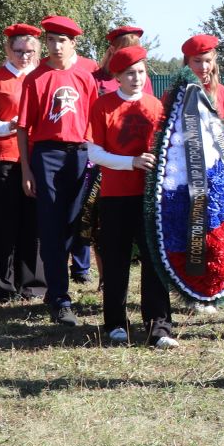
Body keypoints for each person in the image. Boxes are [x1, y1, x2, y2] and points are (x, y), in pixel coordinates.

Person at [18, 15, 101, 325]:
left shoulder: (85, 77)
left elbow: (95, 121)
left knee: (72, 225)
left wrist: (97, 157)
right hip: (47, 155)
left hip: (80, 154)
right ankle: (61, 299)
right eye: (50, 40)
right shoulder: (35, 78)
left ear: (73, 44)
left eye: (61, 41)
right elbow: (24, 128)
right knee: (51, 226)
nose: (55, 46)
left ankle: (56, 290)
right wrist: (27, 169)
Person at [87, 44, 171, 345]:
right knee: (116, 261)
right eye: (129, 73)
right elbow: (94, 152)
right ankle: (114, 323)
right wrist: (130, 162)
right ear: (118, 77)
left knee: (154, 261)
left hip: (149, 197)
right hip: (115, 196)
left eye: (140, 72)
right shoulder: (102, 106)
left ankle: (158, 326)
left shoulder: (156, 106)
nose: (136, 78)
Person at [0, 26, 43, 300]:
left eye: (29, 51)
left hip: (37, 159)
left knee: (33, 224)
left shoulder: (42, 77)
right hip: (4, 157)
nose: (24, 56)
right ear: (7, 50)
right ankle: (3, 287)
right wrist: (9, 126)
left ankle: (33, 286)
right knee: (4, 224)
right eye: (18, 51)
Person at [181, 33, 224, 112]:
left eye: (208, 61)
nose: (203, 67)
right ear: (188, 63)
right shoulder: (175, 94)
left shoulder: (222, 93)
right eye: (197, 61)